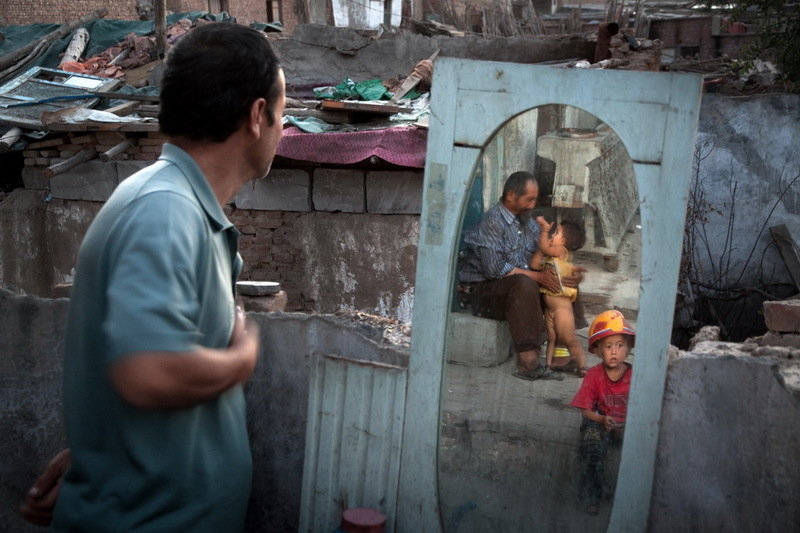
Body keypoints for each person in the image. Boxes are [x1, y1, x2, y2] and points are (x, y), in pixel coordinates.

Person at [20, 22, 285, 531]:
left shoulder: (175, 204)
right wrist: (240, 361)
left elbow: (133, 361)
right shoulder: (165, 211)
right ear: (257, 116)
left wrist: (103, 448)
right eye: (283, 114)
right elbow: (147, 371)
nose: (282, 129)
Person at [459, 171, 585, 381]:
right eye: (529, 199)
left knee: (566, 277)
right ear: (511, 196)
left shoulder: (528, 222)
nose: (533, 204)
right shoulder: (493, 222)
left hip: (513, 284)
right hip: (480, 292)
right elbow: (494, 270)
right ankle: (528, 362)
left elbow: (540, 257)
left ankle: (563, 353)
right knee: (525, 283)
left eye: (535, 199)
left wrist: (560, 272)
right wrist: (537, 277)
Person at [569, 309, 635, 515]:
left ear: (629, 348)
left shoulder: (635, 375)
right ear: (598, 350)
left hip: (628, 426)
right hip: (601, 421)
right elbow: (585, 410)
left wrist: (629, 427)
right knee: (591, 445)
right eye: (608, 346)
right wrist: (601, 419)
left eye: (619, 345)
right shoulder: (595, 375)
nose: (614, 352)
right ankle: (594, 493)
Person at [530, 216, 588, 376]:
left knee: (569, 339)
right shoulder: (550, 258)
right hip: (551, 310)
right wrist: (541, 249)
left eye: (556, 233)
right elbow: (534, 265)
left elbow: (544, 246)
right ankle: (548, 365)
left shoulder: (561, 252)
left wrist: (544, 230)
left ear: (563, 242)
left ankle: (583, 365)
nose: (552, 235)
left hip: (562, 310)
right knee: (552, 338)